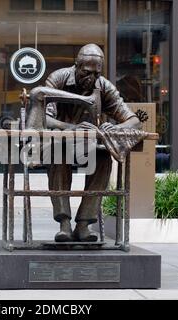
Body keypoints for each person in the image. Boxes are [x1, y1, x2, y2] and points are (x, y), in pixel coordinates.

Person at [29, 44, 141, 242]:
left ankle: (84, 224)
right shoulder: (58, 79)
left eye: (97, 73)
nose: (92, 78)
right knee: (59, 154)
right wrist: (71, 128)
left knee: (104, 156)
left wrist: (117, 128)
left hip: (87, 146)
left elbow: (133, 120)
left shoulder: (103, 86)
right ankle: (64, 223)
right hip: (58, 143)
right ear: (77, 66)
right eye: (87, 72)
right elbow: (43, 118)